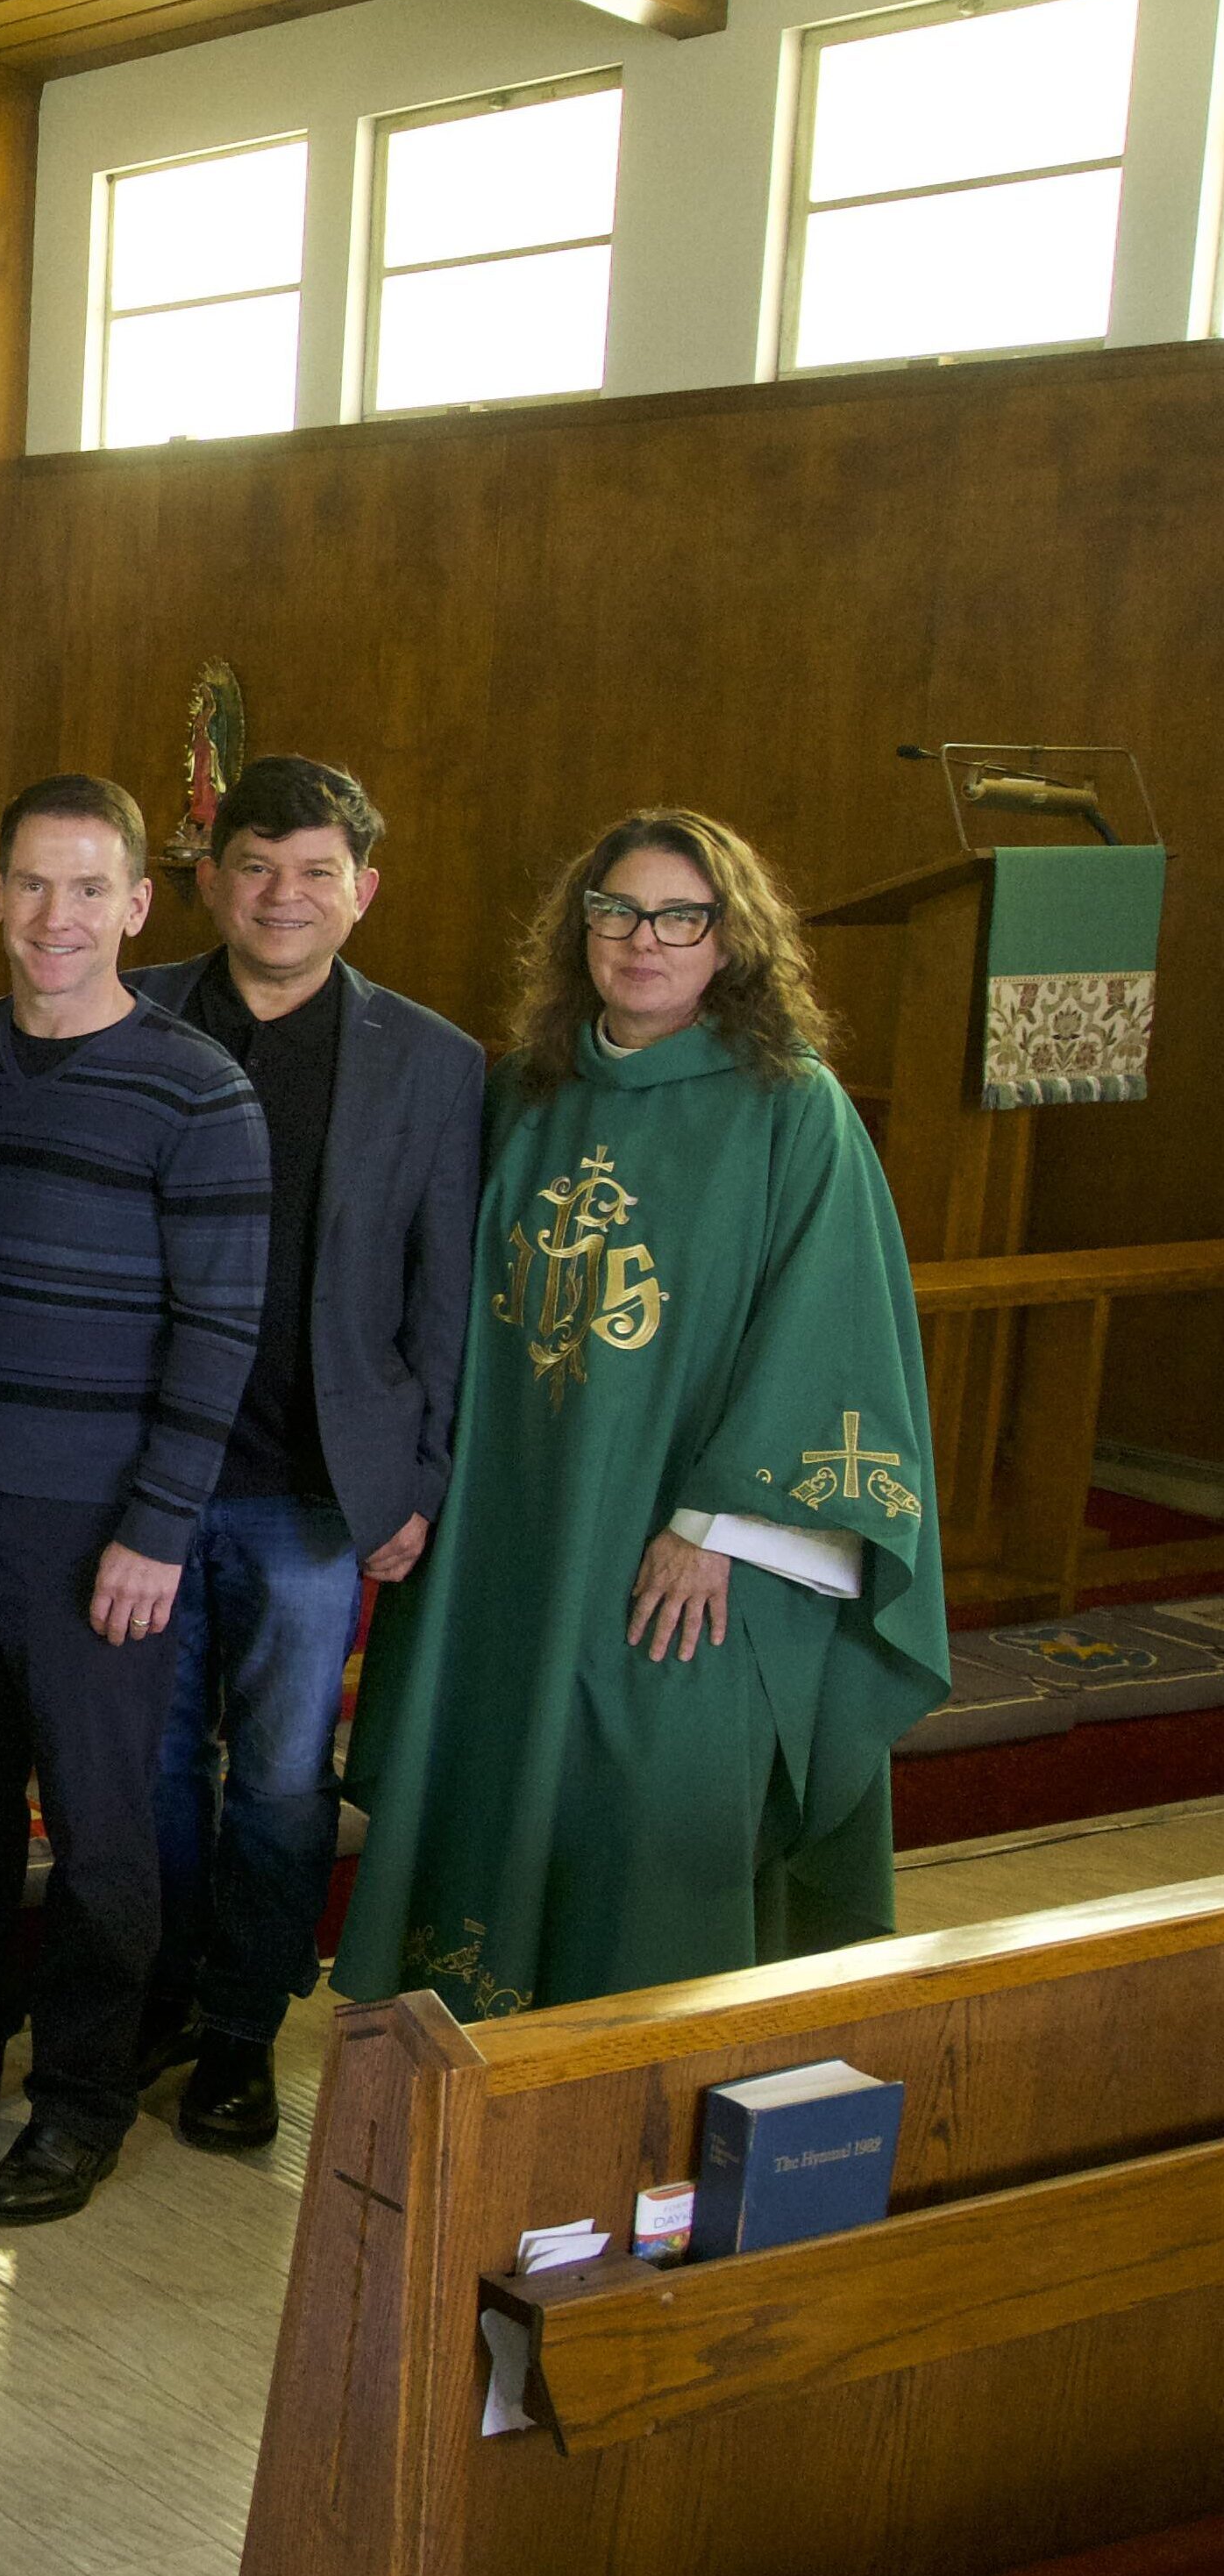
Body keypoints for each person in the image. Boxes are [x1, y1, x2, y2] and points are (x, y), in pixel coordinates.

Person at [338, 811, 943, 2016]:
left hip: (695, 1545)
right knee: (508, 1773)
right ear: (579, 928)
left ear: (731, 939)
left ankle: (652, 2075)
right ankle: (484, 2063)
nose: (642, 939)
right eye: (613, 909)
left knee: (652, 1793)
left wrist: (719, 1522)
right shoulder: (520, 1090)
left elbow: (833, 1330)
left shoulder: (788, 1107)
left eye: (680, 915)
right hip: (510, 1527)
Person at [0, 780, 265, 2230]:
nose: (57, 918)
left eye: (90, 890)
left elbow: (218, 1331)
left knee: (97, 1827)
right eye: (32, 885)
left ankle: (78, 2095)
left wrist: (158, 1525)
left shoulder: (199, 1088)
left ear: (143, 904)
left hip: (98, 1530)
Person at [121, 757, 481, 2150]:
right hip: (142, 1475)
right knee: (143, 1763)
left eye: (315, 870)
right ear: (207, 874)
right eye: (255, 864)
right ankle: (149, 1988)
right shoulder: (126, 1009)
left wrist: (419, 1476)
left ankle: (235, 2028)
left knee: (277, 1775)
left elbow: (441, 1296)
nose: (282, 895)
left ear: (362, 890)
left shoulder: (434, 1062)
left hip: (313, 1490)